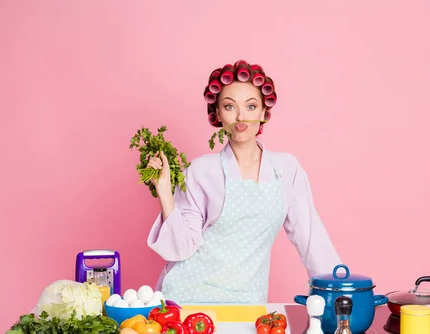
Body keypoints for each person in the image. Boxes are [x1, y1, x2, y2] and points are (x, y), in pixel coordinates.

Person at [146, 60, 341, 304]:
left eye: (250, 106)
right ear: (217, 113)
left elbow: (311, 240)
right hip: (188, 298)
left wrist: (340, 294)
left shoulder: (286, 169)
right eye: (229, 106)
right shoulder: (200, 170)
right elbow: (181, 249)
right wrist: (165, 192)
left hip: (247, 302)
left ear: (263, 112)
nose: (240, 116)